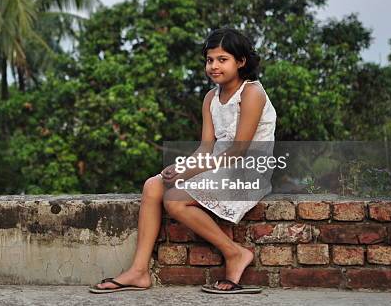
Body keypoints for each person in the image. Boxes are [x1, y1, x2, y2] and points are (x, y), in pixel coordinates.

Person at [90, 28, 277, 294]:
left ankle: (234, 253)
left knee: (175, 199)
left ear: (241, 61)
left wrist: (189, 172)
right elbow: (205, 148)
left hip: (246, 171)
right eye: (209, 60)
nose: (213, 66)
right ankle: (139, 271)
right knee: (152, 185)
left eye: (222, 59)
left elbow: (238, 151)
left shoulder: (252, 93)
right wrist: (180, 168)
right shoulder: (211, 98)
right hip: (218, 167)